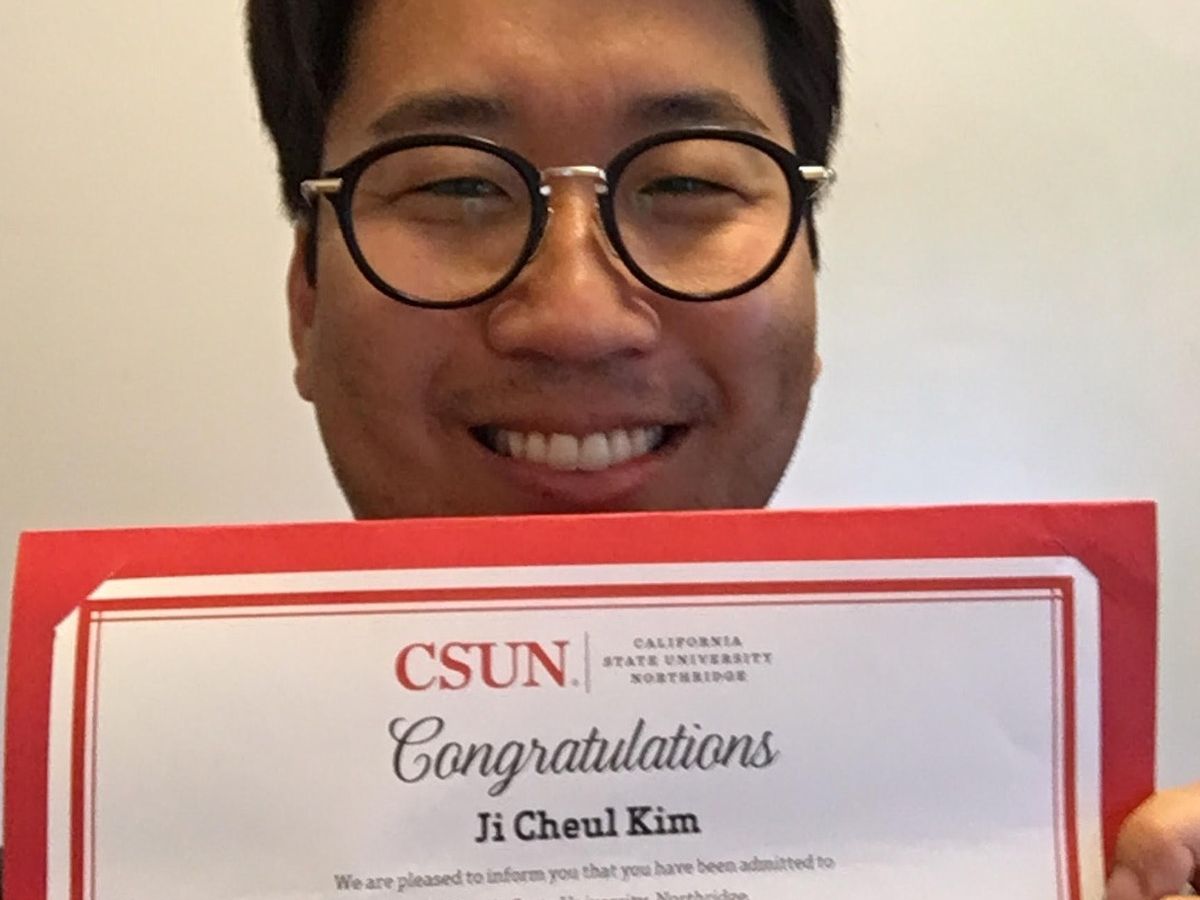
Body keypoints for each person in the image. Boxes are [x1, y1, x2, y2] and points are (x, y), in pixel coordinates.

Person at [244, 1, 1199, 896]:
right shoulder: (166, 808)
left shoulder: (1031, 823)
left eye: (686, 184)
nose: (578, 318)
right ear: (307, 306)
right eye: (456, 185)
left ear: (810, 283)